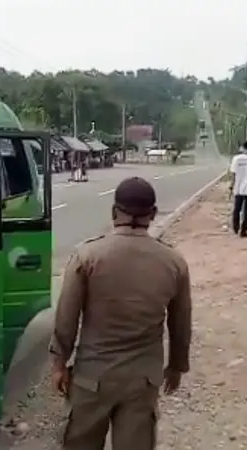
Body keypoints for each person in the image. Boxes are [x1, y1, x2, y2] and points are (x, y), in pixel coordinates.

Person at [50, 177, 192, 450]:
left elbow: (66, 318)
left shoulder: (88, 256)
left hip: (92, 377)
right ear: (152, 214)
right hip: (142, 380)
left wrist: (58, 364)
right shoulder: (173, 262)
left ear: (114, 212)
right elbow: (180, 323)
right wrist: (176, 366)